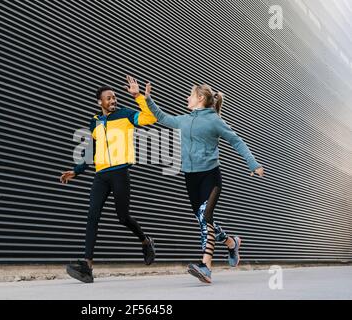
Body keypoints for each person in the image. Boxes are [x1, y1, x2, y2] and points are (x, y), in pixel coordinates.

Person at [145, 81, 264, 284]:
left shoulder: (214, 121)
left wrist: (252, 163)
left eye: (190, 95)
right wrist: (147, 99)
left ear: (200, 98)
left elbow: (236, 140)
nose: (187, 98)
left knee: (205, 216)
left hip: (211, 176)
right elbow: (162, 117)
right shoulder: (183, 120)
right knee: (203, 220)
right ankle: (232, 242)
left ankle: (206, 267)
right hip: (191, 177)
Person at [60, 76, 158, 283]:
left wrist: (139, 96)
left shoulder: (126, 115)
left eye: (114, 97)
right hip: (101, 175)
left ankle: (144, 240)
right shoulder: (95, 121)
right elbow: (93, 149)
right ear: (100, 102)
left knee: (122, 217)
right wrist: (77, 171)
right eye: (108, 98)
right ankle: (87, 266)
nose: (113, 100)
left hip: (120, 172)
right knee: (92, 215)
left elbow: (151, 118)